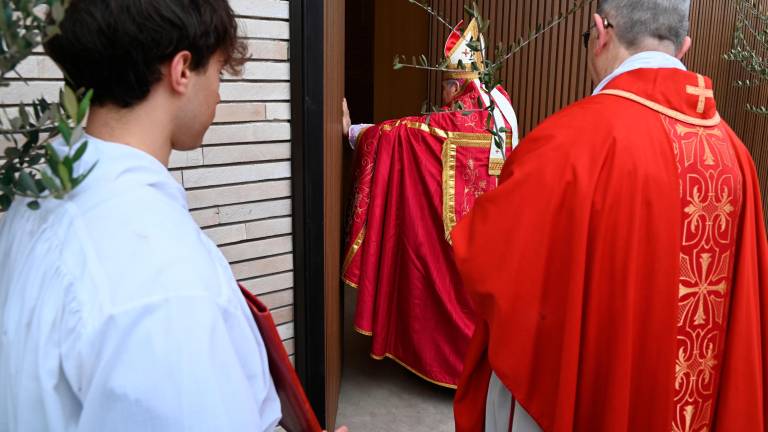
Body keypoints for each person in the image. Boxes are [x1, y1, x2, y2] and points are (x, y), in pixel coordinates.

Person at [0, 2, 345, 431]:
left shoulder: (32, 201)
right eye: (219, 71)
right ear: (182, 70)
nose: (219, 92)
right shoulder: (165, 282)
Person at [452, 0, 768, 431]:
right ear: (684, 48)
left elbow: (488, 262)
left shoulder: (568, 145)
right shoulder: (736, 158)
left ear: (600, 31)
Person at [341, 18, 519, 388]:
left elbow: (401, 134)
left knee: (431, 267)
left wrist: (355, 131)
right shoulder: (500, 110)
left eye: (444, 85)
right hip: (493, 231)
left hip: (456, 233)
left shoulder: (457, 119)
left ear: (456, 84)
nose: (442, 94)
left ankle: (453, 367)